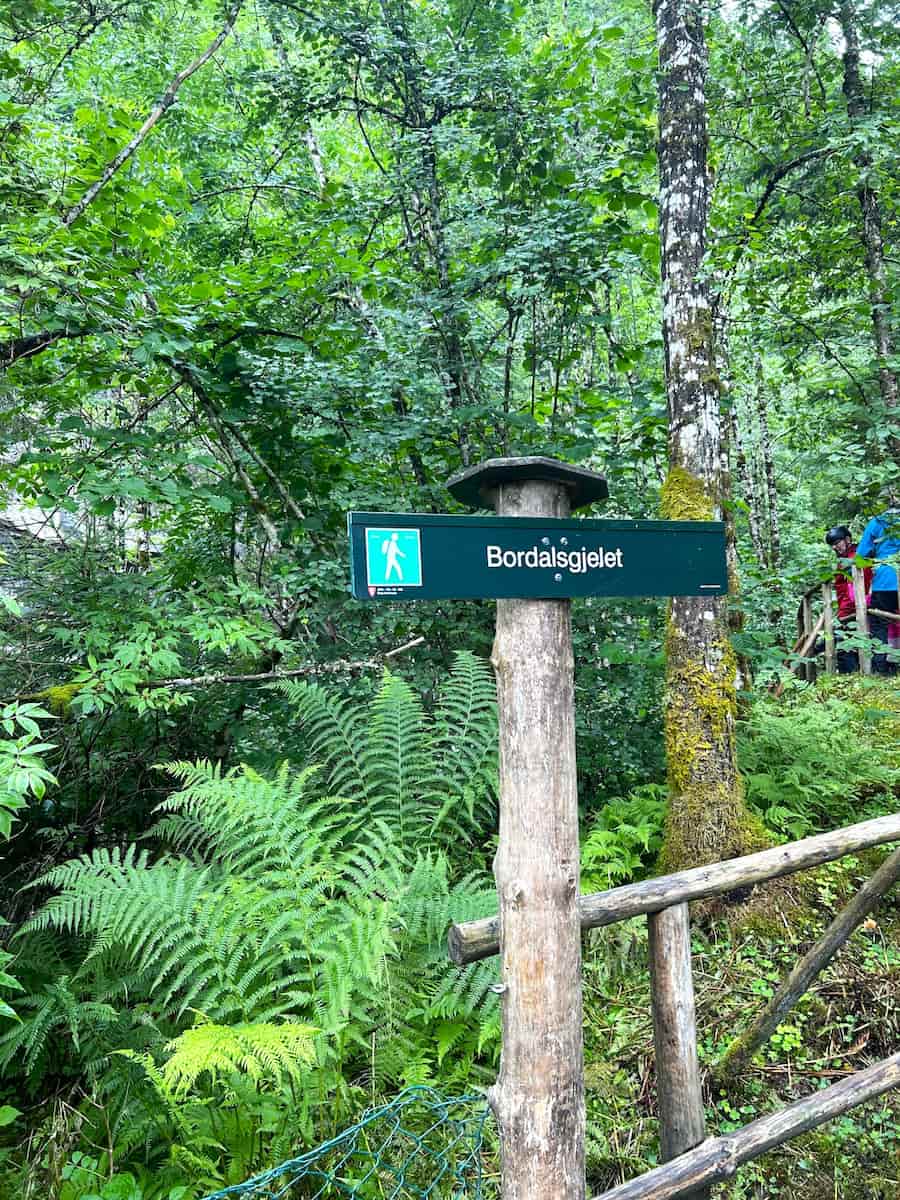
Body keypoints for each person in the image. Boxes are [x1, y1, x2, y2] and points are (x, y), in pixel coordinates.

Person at [856, 502, 900, 675]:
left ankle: (880, 669)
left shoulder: (877, 522)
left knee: (879, 623)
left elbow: (860, 556)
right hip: (890, 578)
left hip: (885, 580)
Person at [825, 525, 872, 673]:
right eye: (832, 545)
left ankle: (850, 676)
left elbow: (859, 586)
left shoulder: (856, 557)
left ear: (847, 539)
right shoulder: (844, 560)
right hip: (847, 608)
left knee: (844, 645)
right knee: (845, 643)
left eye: (837, 543)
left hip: (854, 607)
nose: (835, 547)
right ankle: (851, 675)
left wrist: (846, 610)